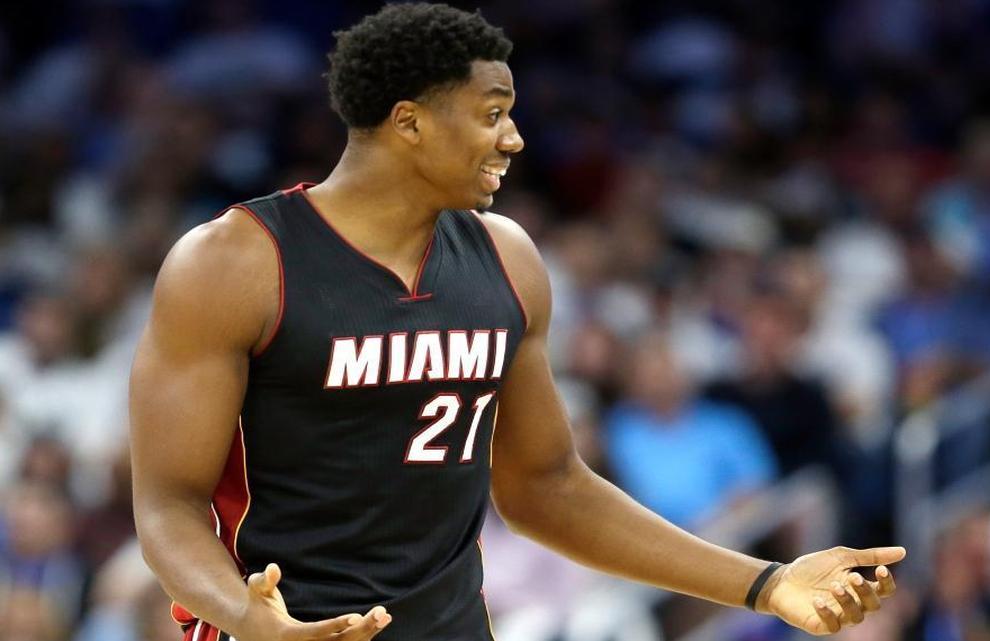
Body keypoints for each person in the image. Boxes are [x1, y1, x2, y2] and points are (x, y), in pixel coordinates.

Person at [128, 5, 905, 641]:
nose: (514, 138)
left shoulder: (507, 258)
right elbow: (167, 503)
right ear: (409, 123)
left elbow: (547, 487)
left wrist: (766, 582)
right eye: (492, 114)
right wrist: (243, 616)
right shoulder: (235, 262)